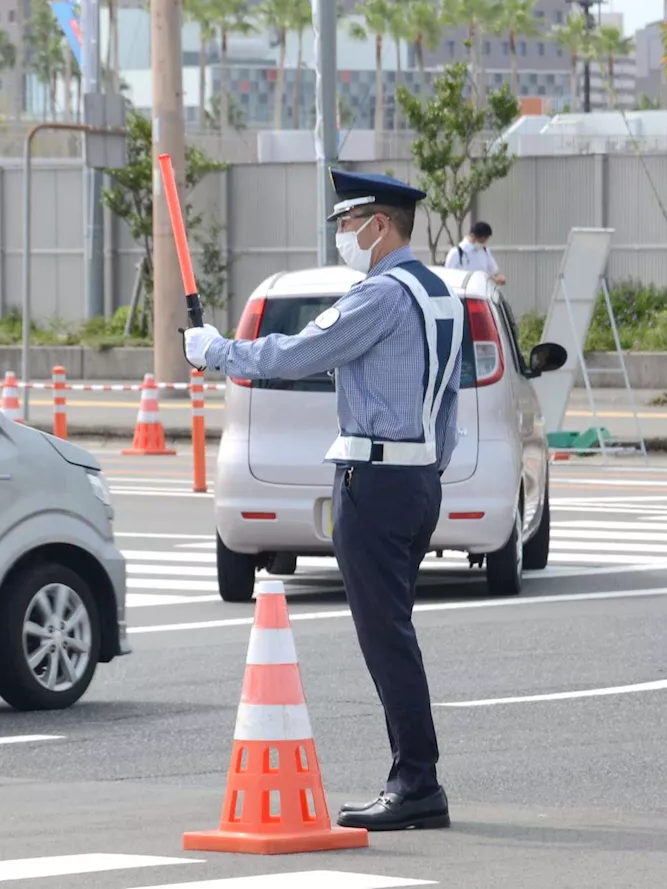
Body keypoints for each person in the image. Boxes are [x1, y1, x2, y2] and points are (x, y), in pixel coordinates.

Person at [184, 169, 463, 833]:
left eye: (347, 223)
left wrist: (216, 350)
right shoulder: (439, 293)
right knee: (394, 632)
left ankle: (417, 781)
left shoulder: (381, 295)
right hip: (418, 479)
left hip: (376, 483)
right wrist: (424, 468)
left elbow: (301, 352)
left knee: (386, 636)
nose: (342, 235)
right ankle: (416, 777)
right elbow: (447, 400)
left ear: (380, 225)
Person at [444, 220, 506, 285]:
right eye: (482, 240)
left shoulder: (484, 251)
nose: (484, 243)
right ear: (473, 236)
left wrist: (499, 279)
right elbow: (448, 275)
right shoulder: (456, 252)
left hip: (481, 292)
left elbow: (495, 272)